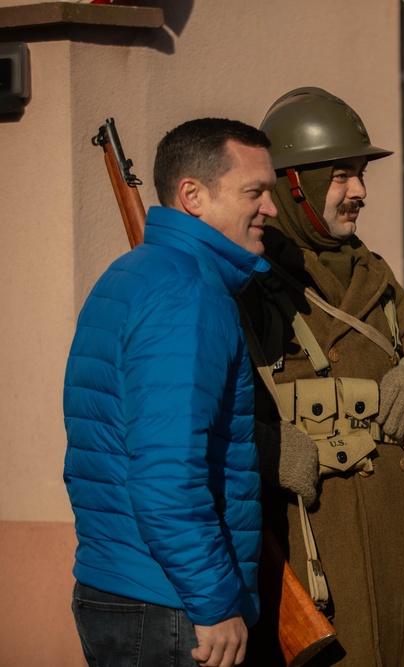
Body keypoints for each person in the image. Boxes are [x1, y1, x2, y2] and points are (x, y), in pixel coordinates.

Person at [240, 87, 404, 667]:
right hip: (306, 541)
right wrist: (262, 446)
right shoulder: (247, 280)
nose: (359, 191)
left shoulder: (373, 270)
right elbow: (203, 409)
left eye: (360, 174)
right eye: (342, 176)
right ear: (296, 183)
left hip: (393, 536)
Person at [64, 118, 277, 667]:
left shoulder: (135, 273)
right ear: (193, 196)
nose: (271, 209)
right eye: (255, 192)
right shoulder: (189, 295)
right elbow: (165, 477)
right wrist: (214, 602)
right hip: (171, 604)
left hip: (132, 587)